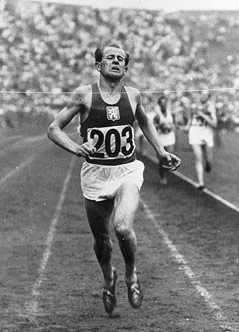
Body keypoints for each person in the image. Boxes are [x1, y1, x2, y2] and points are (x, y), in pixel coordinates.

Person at [47, 43, 181, 315]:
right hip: (96, 173)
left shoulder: (133, 95)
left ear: (126, 67)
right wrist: (76, 148)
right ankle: (109, 278)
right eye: (110, 58)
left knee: (122, 227)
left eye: (121, 59)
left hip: (126, 170)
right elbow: (53, 129)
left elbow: (145, 122)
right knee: (102, 241)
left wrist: (161, 151)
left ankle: (132, 275)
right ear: (99, 65)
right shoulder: (84, 94)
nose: (116, 62)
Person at [186, 90, 217, 189]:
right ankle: (201, 182)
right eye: (202, 94)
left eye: (205, 95)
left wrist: (202, 115)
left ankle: (208, 163)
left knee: (208, 159)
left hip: (206, 132)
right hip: (195, 132)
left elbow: (214, 123)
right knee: (198, 157)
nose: (203, 96)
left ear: (208, 96)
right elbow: (190, 118)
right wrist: (187, 126)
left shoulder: (210, 106)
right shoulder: (194, 105)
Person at [153, 94, 176, 185]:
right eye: (161, 103)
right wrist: (161, 126)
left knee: (170, 157)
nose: (163, 105)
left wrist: (170, 127)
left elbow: (174, 125)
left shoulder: (170, 113)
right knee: (162, 159)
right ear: (159, 104)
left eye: (165, 103)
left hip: (169, 137)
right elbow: (153, 127)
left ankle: (166, 172)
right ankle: (162, 176)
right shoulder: (157, 116)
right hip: (161, 138)